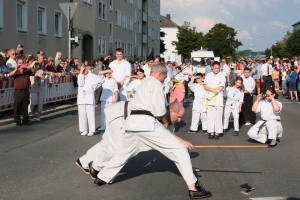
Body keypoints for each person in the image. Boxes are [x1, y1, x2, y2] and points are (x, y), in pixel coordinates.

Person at [93, 64, 212, 199]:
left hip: (132, 123)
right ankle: (193, 188)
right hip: (146, 123)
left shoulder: (143, 85)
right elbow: (160, 109)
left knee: (125, 152)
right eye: (164, 77)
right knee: (179, 150)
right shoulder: (155, 83)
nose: (164, 80)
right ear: (160, 74)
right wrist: (165, 122)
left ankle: (102, 177)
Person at [77, 64, 105, 136]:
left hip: (89, 96)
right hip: (81, 97)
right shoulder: (80, 76)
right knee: (82, 114)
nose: (84, 70)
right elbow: (80, 83)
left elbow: (102, 80)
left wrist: (95, 87)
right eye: (82, 69)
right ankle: (84, 129)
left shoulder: (92, 76)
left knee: (90, 114)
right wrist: (81, 74)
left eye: (85, 69)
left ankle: (91, 130)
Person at [203, 61, 226, 140]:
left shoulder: (221, 75)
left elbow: (222, 86)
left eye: (218, 68)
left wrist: (216, 91)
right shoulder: (208, 75)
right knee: (210, 116)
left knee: (218, 116)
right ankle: (211, 132)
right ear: (212, 67)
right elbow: (205, 86)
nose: (216, 70)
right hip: (210, 95)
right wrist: (212, 90)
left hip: (218, 96)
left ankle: (217, 132)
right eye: (215, 68)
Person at [9, 60, 35, 126]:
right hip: (18, 91)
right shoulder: (15, 71)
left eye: (22, 63)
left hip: (26, 91)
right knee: (17, 107)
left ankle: (25, 120)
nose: (21, 65)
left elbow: (33, 72)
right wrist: (16, 69)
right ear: (17, 64)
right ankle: (17, 121)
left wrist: (29, 67)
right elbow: (10, 74)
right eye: (19, 63)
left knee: (25, 107)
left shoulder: (26, 71)